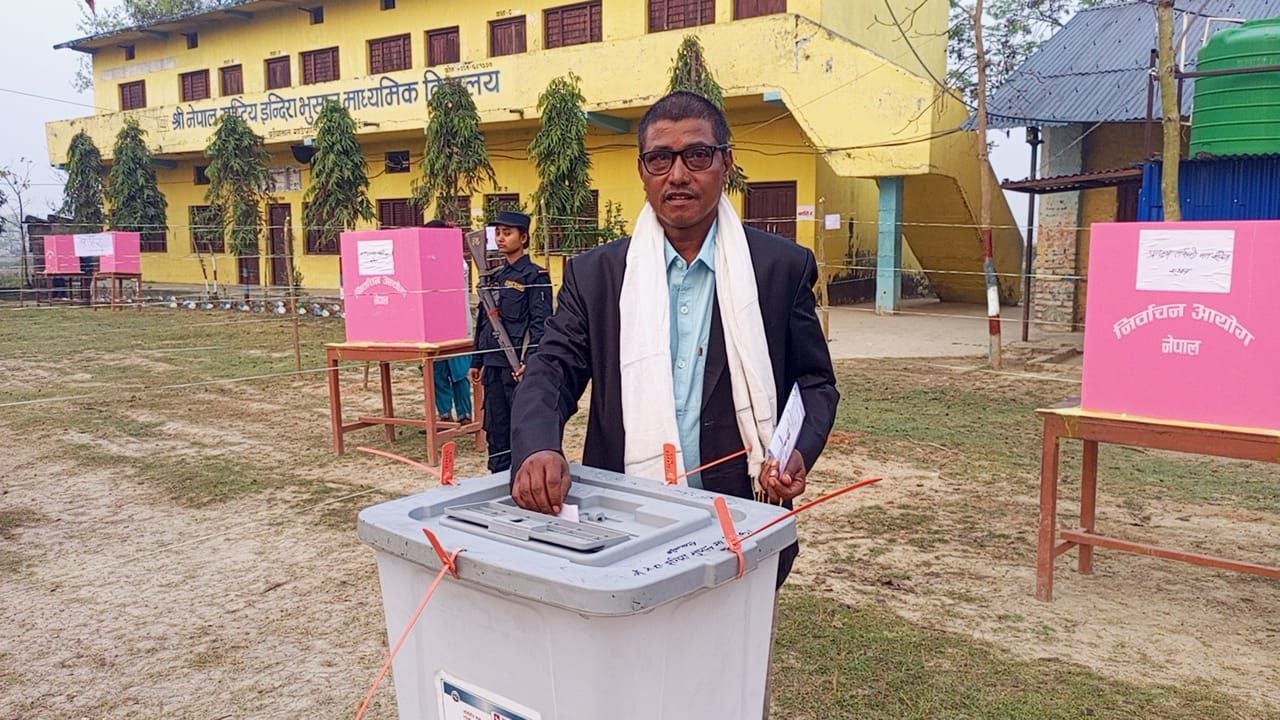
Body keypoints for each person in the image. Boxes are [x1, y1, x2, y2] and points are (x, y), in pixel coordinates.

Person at [508, 91, 839, 586]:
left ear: (726, 163)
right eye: (660, 158)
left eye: (697, 155)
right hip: (625, 520)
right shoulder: (597, 275)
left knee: (735, 637)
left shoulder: (779, 268)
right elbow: (551, 370)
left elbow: (815, 383)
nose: (678, 174)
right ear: (643, 170)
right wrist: (537, 446)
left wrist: (798, 450)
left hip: (744, 515)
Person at [469, 210, 552, 472]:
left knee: (522, 430)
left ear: (523, 237)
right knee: (496, 430)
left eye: (507, 233)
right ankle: (498, 480)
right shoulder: (493, 277)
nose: (501, 238)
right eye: (498, 234)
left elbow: (541, 324)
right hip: (494, 366)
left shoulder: (535, 276)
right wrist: (477, 360)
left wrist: (531, 360)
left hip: (517, 369)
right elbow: (484, 321)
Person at [423, 219, 473, 426]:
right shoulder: (426, 259)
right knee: (437, 372)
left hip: (457, 326)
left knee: (459, 373)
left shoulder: (457, 261)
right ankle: (444, 414)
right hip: (432, 326)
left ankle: (465, 415)